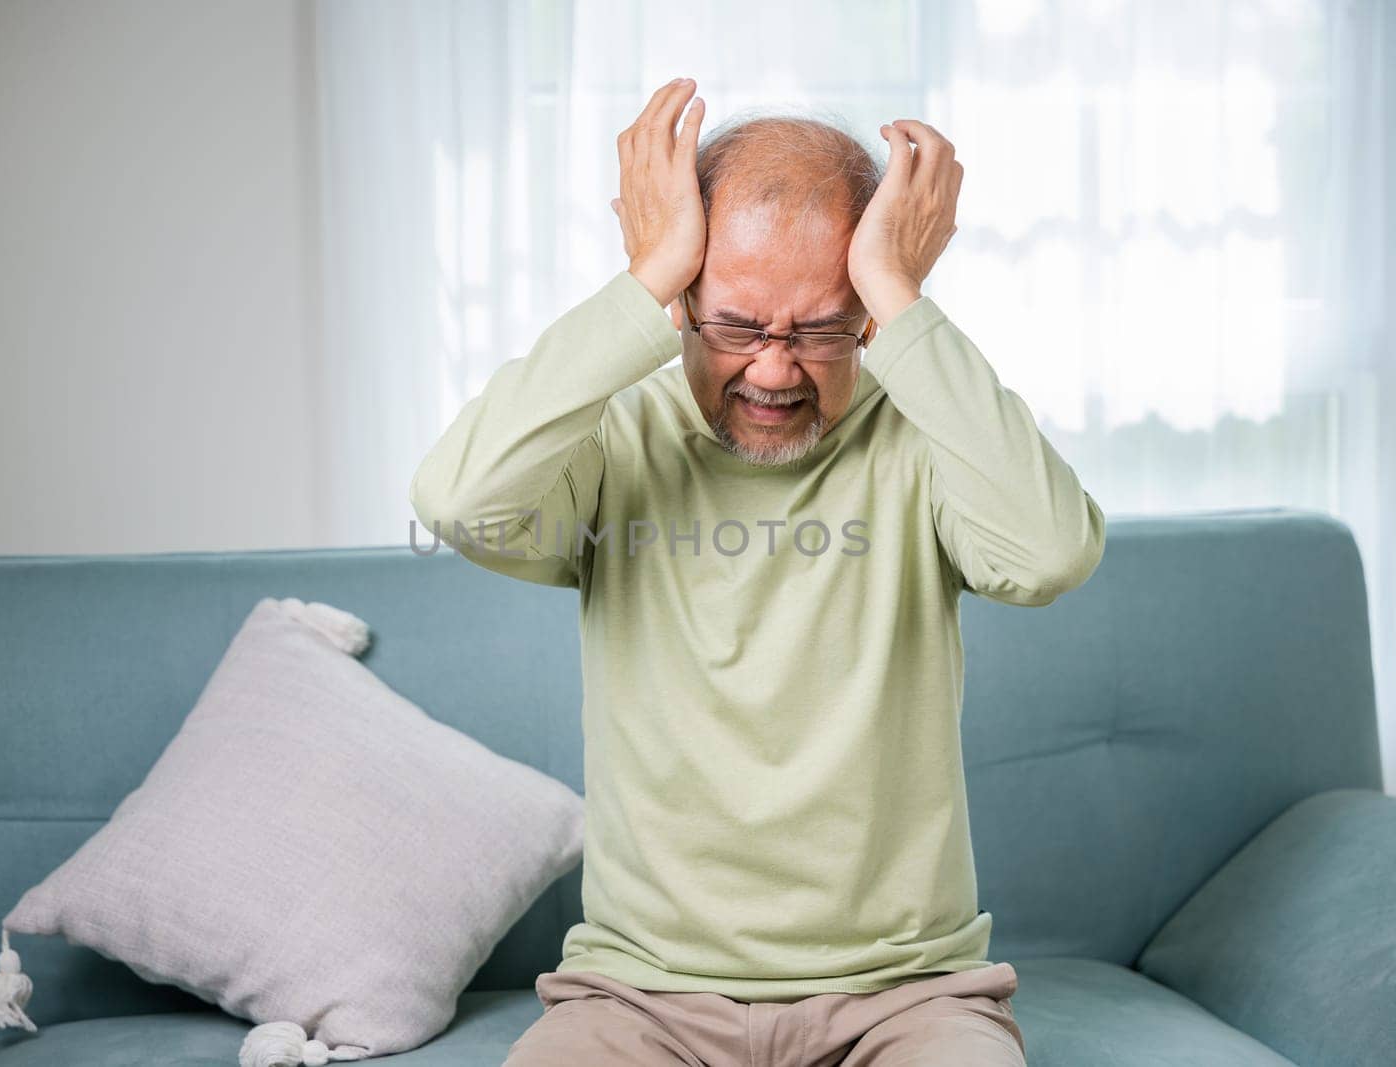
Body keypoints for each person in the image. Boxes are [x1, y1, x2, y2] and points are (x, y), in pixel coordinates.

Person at [410, 75, 1106, 1066]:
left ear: (867, 310)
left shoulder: (924, 433)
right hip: (639, 994)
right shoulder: (609, 438)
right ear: (683, 296)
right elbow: (457, 501)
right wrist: (642, 278)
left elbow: (1049, 553)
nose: (775, 370)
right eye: (736, 324)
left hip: (903, 995)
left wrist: (903, 298)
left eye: (821, 327)